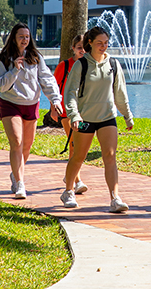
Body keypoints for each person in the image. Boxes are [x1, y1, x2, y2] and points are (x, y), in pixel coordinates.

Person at [60, 26, 133, 213]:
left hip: (107, 117)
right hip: (85, 118)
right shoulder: (81, 65)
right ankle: (68, 191)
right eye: (99, 43)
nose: (103, 46)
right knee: (79, 156)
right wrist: (74, 115)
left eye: (106, 43)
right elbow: (70, 93)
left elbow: (120, 93)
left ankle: (115, 198)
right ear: (90, 43)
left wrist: (127, 116)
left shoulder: (114, 65)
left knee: (110, 156)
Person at [0, 22, 62, 199]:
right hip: (10, 103)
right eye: (21, 37)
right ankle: (20, 183)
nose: (24, 40)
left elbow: (46, 79)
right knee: (16, 141)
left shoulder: (36, 57)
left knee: (27, 145)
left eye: (27, 37)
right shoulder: (3, 59)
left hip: (31, 104)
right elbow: (1, 86)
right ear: (13, 39)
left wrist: (55, 100)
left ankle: (16, 173)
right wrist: (14, 70)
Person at [53, 33, 88, 195]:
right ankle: (77, 181)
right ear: (73, 48)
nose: (82, 51)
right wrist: (53, 107)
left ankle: (70, 176)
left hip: (85, 112)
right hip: (66, 111)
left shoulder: (89, 65)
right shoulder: (64, 66)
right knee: (74, 144)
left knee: (80, 147)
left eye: (84, 48)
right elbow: (53, 87)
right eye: (79, 47)